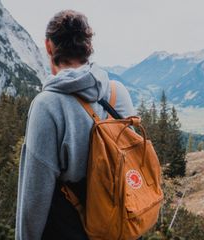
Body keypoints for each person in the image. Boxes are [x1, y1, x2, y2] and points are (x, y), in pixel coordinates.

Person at [15, 9, 135, 240]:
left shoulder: (47, 105)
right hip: (122, 228)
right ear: (88, 47)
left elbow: (34, 197)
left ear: (49, 47)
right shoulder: (118, 92)